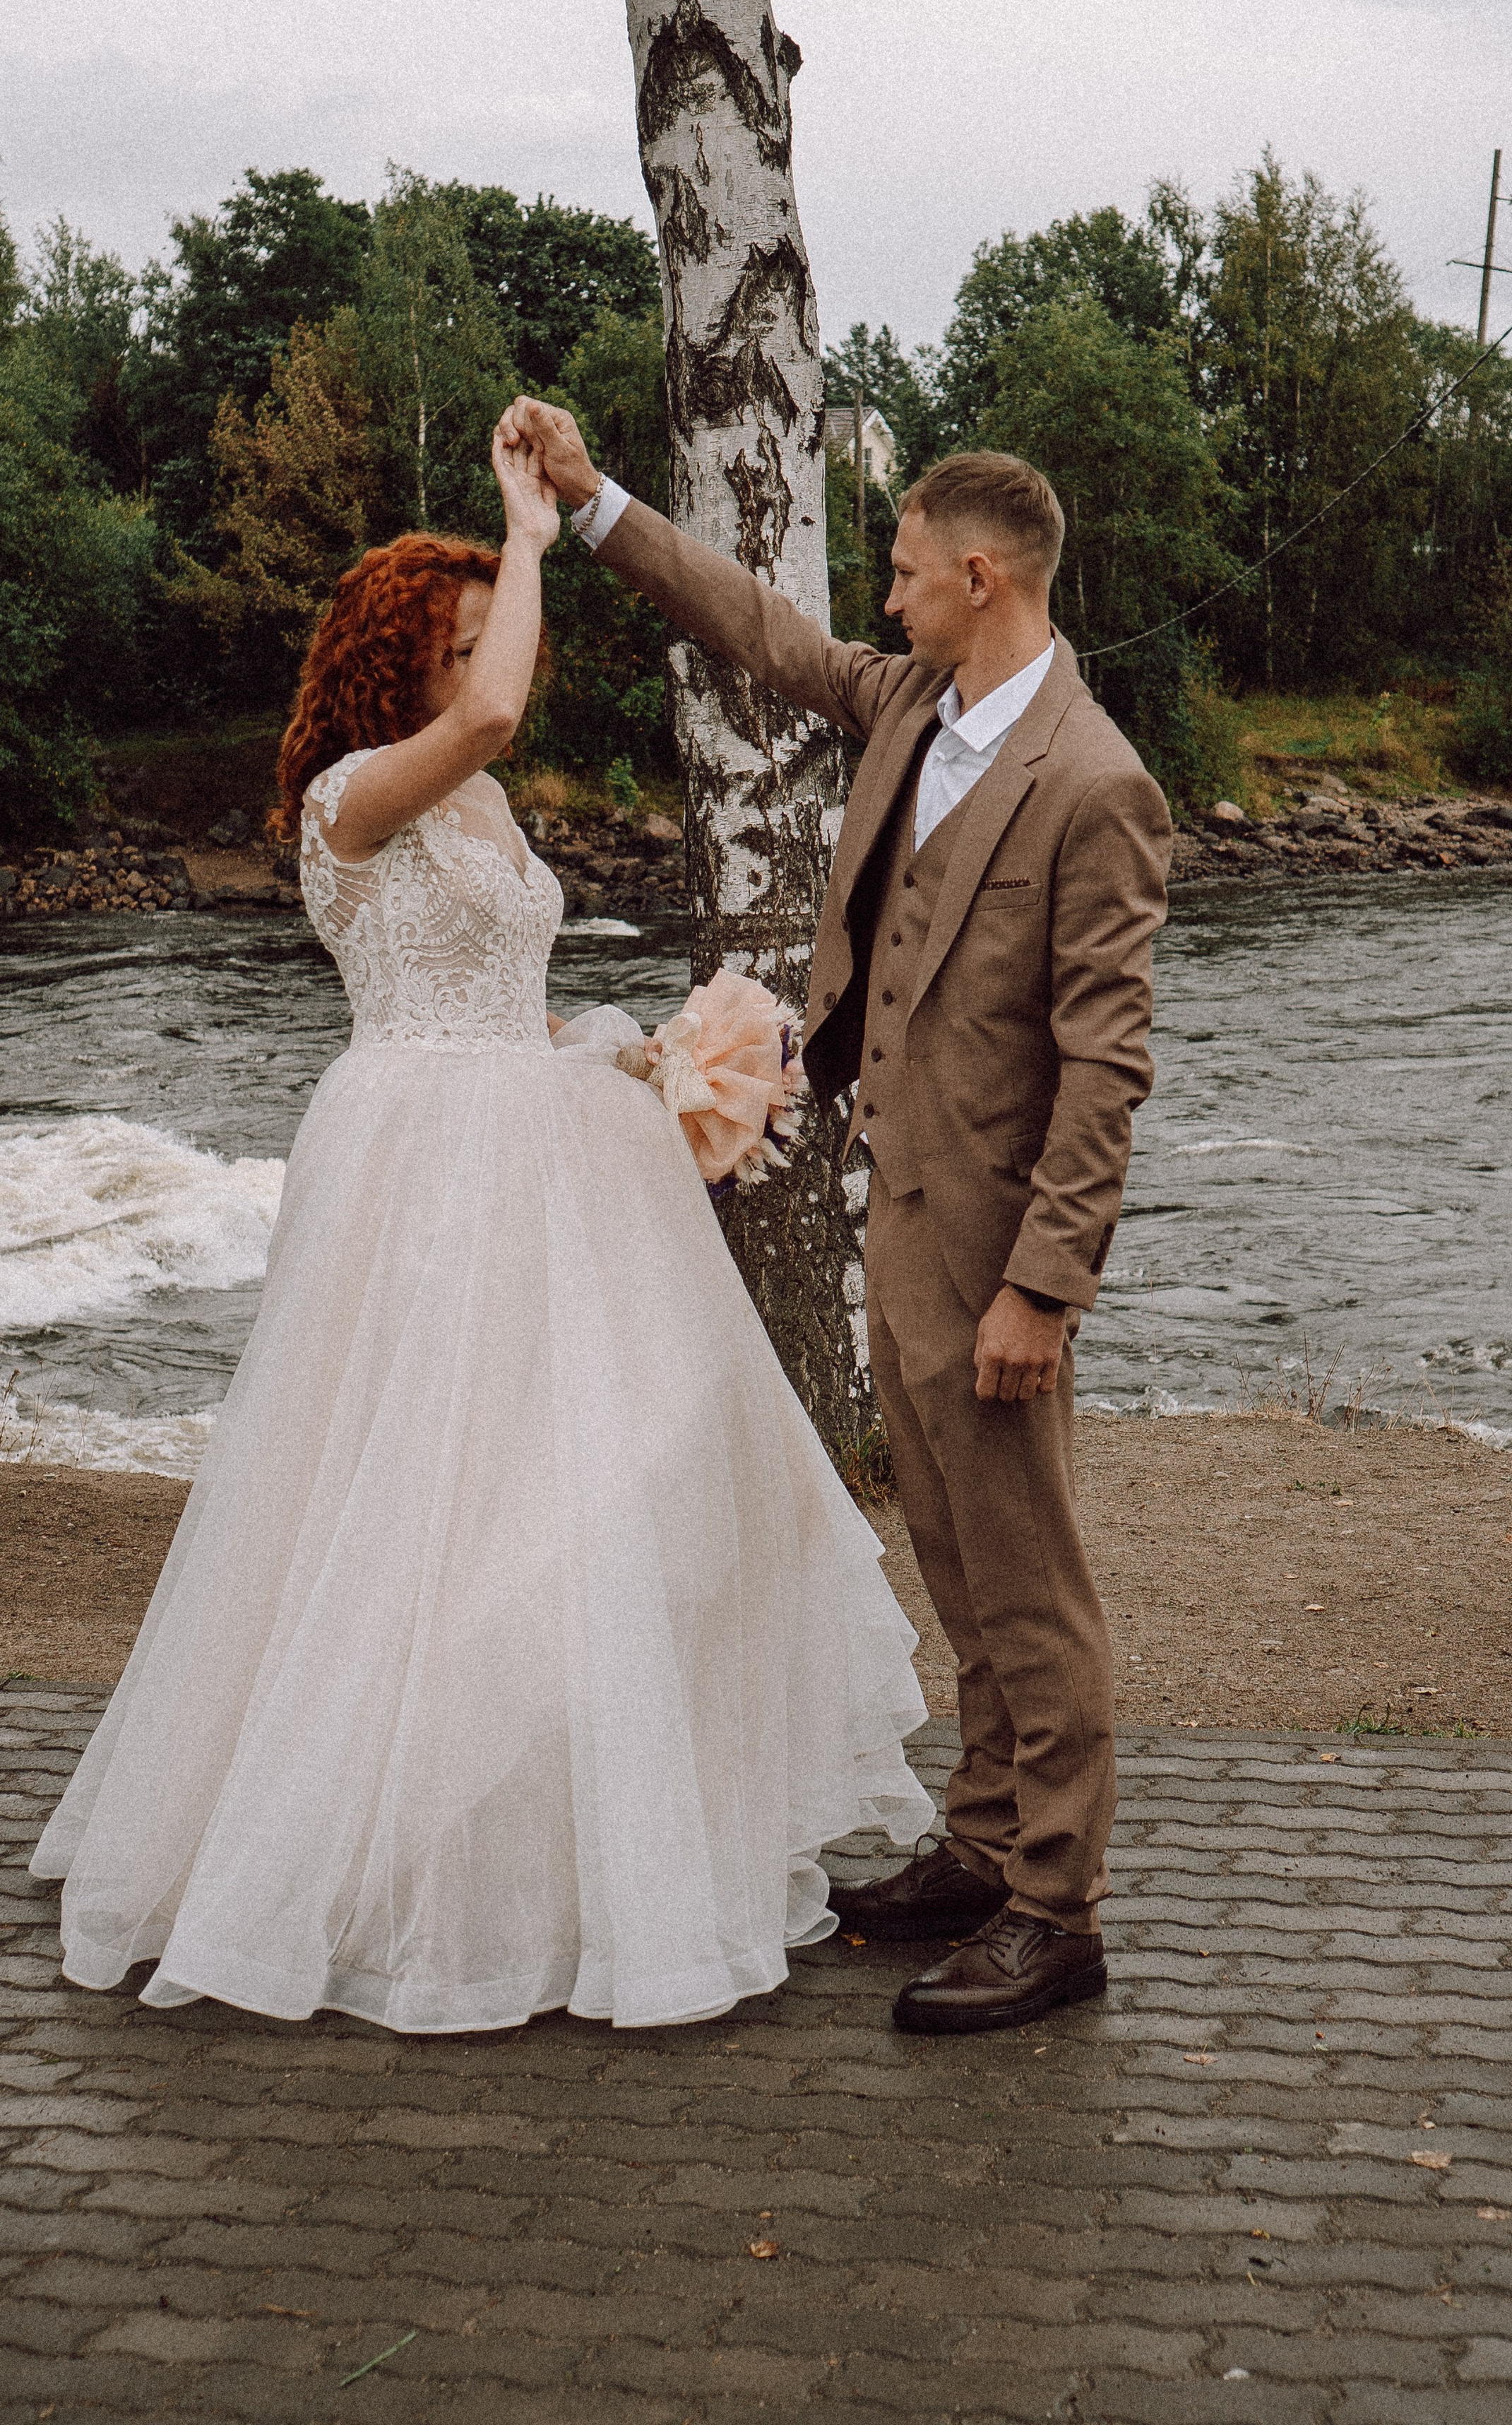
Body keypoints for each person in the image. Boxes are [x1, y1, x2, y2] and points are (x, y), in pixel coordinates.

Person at [30, 418, 934, 2034]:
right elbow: (506, 708)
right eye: (446, 646)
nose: (477, 667)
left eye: (477, 636)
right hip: (416, 1161)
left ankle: (560, 1846)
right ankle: (359, 1845)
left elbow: (507, 993)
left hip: (530, 1135)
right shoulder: (352, 800)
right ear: (395, 665)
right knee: (402, 1490)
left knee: (567, 1479)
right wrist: (530, 531)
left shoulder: (492, 810)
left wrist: (633, 1055)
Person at [504, 401, 1172, 2036]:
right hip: (898, 1212)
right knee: (949, 1549)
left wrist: (1041, 1292)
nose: (878, 600)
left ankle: (1056, 1911)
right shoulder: (907, 703)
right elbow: (759, 630)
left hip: (996, 1248)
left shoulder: (1095, 785)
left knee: (1030, 1581)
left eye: (899, 574)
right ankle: (981, 1839)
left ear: (979, 573)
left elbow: (1105, 1068)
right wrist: (596, 506)